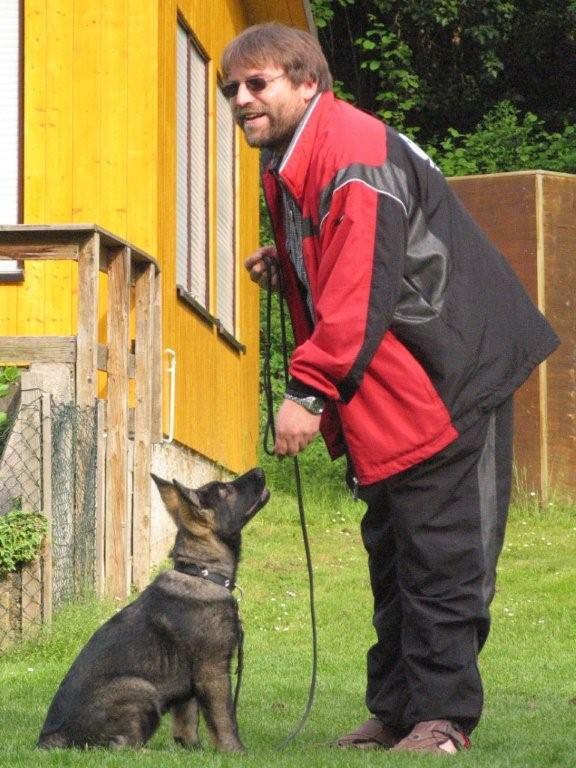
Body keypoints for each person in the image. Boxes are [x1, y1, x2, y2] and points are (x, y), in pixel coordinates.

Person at [221, 23, 559, 755]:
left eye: (257, 83)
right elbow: (350, 257)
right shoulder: (295, 154)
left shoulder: (351, 152)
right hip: (391, 386)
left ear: (308, 82)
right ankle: (399, 707)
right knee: (394, 550)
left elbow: (360, 286)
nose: (241, 99)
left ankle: (443, 719)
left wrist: (307, 393)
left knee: (443, 555)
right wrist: (290, 263)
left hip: (449, 373)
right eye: (231, 89)